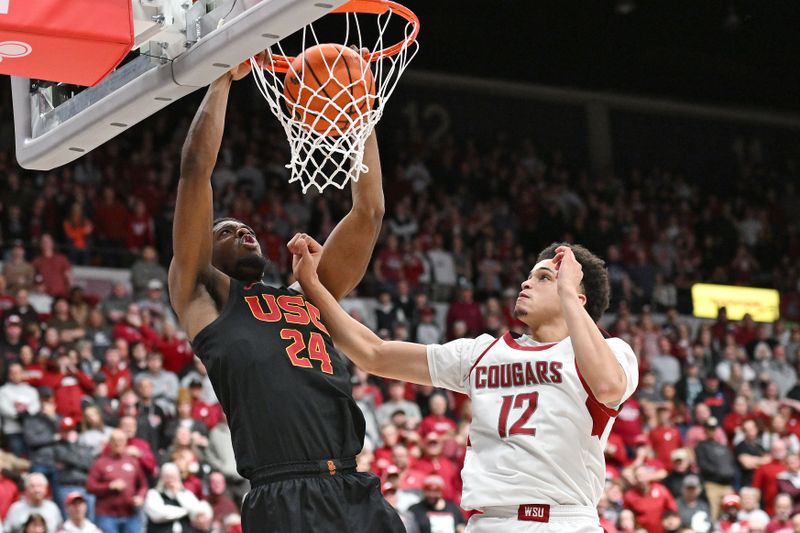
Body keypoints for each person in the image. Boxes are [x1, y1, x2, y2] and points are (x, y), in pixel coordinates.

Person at [168, 60, 400, 533]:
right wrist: (220, 78)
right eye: (227, 230)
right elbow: (195, 171)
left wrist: (361, 113)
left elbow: (370, 210)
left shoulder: (308, 295)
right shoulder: (202, 295)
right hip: (283, 492)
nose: (243, 231)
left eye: (247, 228)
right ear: (203, 250)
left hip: (355, 488)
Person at [292, 238, 639, 532]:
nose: (526, 283)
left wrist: (567, 288)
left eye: (545, 277)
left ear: (575, 299)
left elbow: (608, 386)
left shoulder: (611, 351)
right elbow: (373, 353)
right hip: (485, 522)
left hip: (563, 521)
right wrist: (312, 285)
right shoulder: (483, 351)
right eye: (530, 276)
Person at [86, 429, 148, 533]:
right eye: (114, 440)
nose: (117, 443)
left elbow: (143, 486)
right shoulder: (100, 463)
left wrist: (140, 497)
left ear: (125, 442)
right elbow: (90, 486)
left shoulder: (133, 461)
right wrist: (109, 486)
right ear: (110, 443)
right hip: (106, 514)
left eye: (120, 440)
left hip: (130, 514)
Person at [143, 463, 202, 533]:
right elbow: (158, 515)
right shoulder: (153, 493)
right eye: (168, 476)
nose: (171, 480)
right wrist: (186, 511)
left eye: (173, 477)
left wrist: (178, 494)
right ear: (162, 478)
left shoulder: (186, 494)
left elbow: (196, 511)